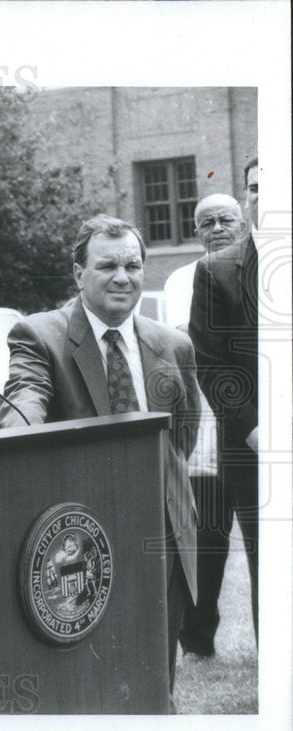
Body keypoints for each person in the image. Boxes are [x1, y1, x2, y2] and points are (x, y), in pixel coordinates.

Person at [0, 214, 201, 698]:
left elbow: (183, 438)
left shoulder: (174, 344)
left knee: (157, 683)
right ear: (77, 274)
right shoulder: (38, 335)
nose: (122, 277)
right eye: (107, 265)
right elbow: (26, 393)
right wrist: (20, 422)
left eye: (133, 265)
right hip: (82, 541)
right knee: (90, 684)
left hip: (164, 535)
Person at [163, 193, 249, 657]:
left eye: (225, 219)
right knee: (207, 540)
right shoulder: (183, 279)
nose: (215, 228)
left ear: (243, 222)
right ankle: (197, 639)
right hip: (205, 435)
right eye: (205, 222)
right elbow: (189, 343)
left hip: (251, 428)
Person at [189, 157, 260, 646]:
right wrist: (258, 431)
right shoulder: (212, 274)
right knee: (231, 549)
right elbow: (212, 365)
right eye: (257, 188)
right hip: (242, 442)